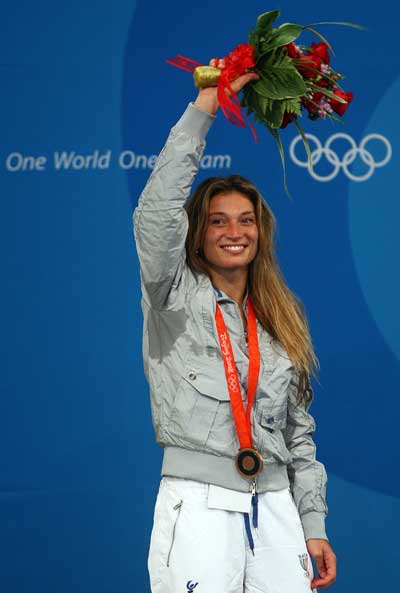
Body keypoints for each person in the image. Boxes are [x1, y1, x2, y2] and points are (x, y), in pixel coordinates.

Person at [133, 59, 337, 593]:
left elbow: (299, 433)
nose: (233, 232)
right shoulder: (170, 296)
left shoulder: (279, 317)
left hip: (275, 507)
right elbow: (156, 212)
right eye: (218, 220)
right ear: (198, 234)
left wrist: (311, 523)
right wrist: (207, 103)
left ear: (260, 233)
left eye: (245, 220)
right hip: (198, 502)